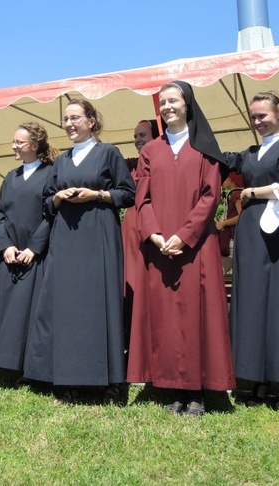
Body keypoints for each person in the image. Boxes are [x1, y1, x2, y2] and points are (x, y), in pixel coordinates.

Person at [127, 81, 236, 417]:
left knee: (196, 316)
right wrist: (156, 234)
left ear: (188, 104)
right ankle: (172, 384)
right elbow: (141, 199)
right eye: (163, 102)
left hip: (195, 246)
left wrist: (185, 235)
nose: (168, 107)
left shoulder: (205, 148)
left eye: (174, 101)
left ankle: (199, 390)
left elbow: (210, 197)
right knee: (165, 317)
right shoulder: (151, 151)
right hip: (160, 246)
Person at [23, 99, 135, 404]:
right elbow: (46, 203)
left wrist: (96, 194)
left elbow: (128, 194)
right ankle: (68, 379)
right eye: (66, 119)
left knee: (99, 304)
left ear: (91, 120)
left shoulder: (109, 153)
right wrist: (58, 197)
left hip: (99, 234)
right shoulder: (61, 161)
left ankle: (107, 381)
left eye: (75, 118)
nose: (70, 124)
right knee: (67, 307)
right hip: (66, 238)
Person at [223, 91, 279, 409]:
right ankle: (255, 379)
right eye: (254, 116)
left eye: (263, 115)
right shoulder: (249, 154)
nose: (258, 121)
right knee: (252, 304)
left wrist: (250, 191)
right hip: (250, 234)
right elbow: (214, 156)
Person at [0, 122, 56, 374]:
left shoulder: (52, 174)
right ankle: (5, 363)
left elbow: (53, 215)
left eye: (19, 142)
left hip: (37, 256)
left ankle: (29, 367)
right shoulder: (11, 177)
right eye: (13, 141)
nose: (13, 146)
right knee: (6, 309)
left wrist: (34, 247)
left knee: (32, 312)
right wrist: (6, 245)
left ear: (34, 145)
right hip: (9, 256)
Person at [122, 120, 159, 353]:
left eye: (143, 134)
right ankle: (132, 346)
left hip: (156, 227)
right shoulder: (130, 165)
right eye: (135, 136)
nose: (137, 139)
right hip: (131, 230)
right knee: (131, 286)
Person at [216, 176, 243, 274]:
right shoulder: (233, 194)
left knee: (219, 270)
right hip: (232, 238)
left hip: (233, 238)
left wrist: (224, 223)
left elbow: (241, 216)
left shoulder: (237, 194)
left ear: (231, 178)